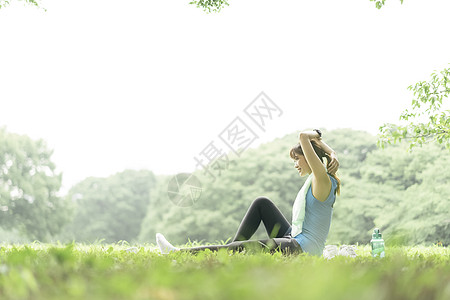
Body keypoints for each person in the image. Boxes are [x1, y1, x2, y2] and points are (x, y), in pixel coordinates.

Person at [156, 129, 341, 256]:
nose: (295, 164)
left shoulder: (322, 179)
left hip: (302, 249)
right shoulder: (321, 178)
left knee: (248, 248)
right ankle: (230, 249)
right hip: (295, 237)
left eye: (297, 159)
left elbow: (303, 136)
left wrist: (323, 142)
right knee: (262, 203)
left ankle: (176, 253)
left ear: (311, 158)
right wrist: (331, 153)